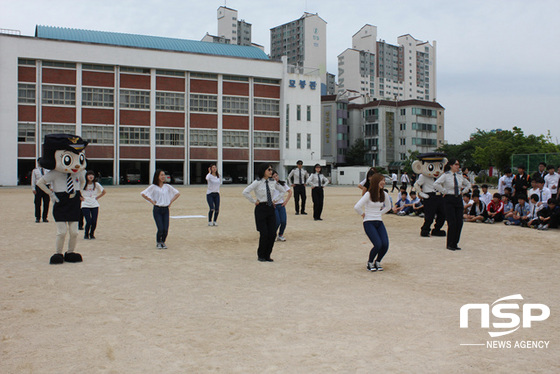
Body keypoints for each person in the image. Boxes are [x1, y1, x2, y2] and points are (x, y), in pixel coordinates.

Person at [36, 134, 88, 264]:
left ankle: (70, 252)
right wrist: (51, 194)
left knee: (74, 232)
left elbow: (82, 182)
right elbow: (40, 183)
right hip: (61, 200)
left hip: (74, 201)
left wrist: (79, 192)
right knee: (62, 232)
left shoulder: (79, 173)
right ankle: (58, 252)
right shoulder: (55, 173)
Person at [243, 164, 286, 262]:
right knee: (264, 233)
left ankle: (268, 255)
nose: (271, 171)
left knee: (272, 233)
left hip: (270, 208)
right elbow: (245, 192)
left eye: (271, 169)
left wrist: (275, 200)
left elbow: (283, 191)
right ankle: (261, 255)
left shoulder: (273, 182)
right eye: (269, 169)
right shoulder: (257, 182)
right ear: (263, 171)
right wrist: (254, 201)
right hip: (261, 208)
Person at [354, 173, 392, 272]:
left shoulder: (384, 194)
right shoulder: (369, 194)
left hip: (379, 222)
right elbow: (357, 206)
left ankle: (378, 261)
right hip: (369, 222)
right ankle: (370, 262)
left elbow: (388, 207)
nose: (383, 182)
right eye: (381, 180)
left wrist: (379, 213)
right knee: (378, 244)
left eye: (384, 180)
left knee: (385, 244)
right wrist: (363, 214)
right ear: (375, 182)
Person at [434, 158, 471, 251]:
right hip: (449, 199)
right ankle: (450, 243)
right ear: (451, 165)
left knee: (459, 222)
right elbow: (436, 184)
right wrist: (443, 191)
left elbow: (468, 184)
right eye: (456, 164)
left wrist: (463, 191)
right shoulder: (446, 175)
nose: (458, 166)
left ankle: (455, 243)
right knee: (452, 222)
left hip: (458, 198)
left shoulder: (459, 175)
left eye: (458, 164)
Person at [141, 170, 180, 250]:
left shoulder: (167, 186)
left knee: (166, 229)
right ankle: (158, 242)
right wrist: (152, 201)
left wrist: (170, 202)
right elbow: (143, 193)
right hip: (157, 209)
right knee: (160, 228)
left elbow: (177, 193)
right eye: (161, 175)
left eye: (164, 175)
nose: (163, 177)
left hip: (165, 209)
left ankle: (163, 241)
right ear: (157, 176)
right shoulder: (153, 187)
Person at [81, 170, 106, 239]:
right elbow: (77, 191)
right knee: (88, 221)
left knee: (94, 221)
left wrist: (97, 197)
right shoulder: (82, 184)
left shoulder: (96, 184)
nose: (91, 176)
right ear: (86, 176)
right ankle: (86, 234)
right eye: (89, 175)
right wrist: (80, 197)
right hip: (85, 204)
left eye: (92, 175)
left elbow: (104, 192)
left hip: (94, 204)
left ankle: (92, 234)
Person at [272, 170, 292, 242]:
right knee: (277, 222)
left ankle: (280, 235)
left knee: (283, 221)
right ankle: (273, 234)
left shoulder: (282, 184)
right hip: (274, 206)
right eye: (273, 177)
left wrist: (286, 201)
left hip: (281, 205)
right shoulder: (270, 185)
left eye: (276, 176)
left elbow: (290, 191)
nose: (276, 178)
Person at [31, 158, 51, 223]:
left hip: (46, 186)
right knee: (37, 203)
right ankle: (37, 217)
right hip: (38, 187)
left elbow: (51, 179)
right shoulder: (35, 171)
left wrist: (52, 187)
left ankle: (45, 217)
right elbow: (33, 180)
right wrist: (33, 188)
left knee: (46, 202)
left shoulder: (48, 170)